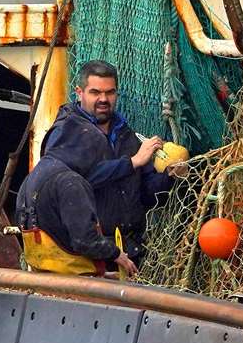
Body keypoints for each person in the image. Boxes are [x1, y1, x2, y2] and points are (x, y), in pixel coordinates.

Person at [16, 59, 181, 277]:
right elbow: (79, 179)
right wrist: (131, 163)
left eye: (110, 92)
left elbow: (145, 194)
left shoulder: (128, 137)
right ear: (79, 92)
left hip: (128, 252)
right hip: (87, 256)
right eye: (95, 92)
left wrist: (170, 176)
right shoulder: (66, 131)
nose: (103, 99)